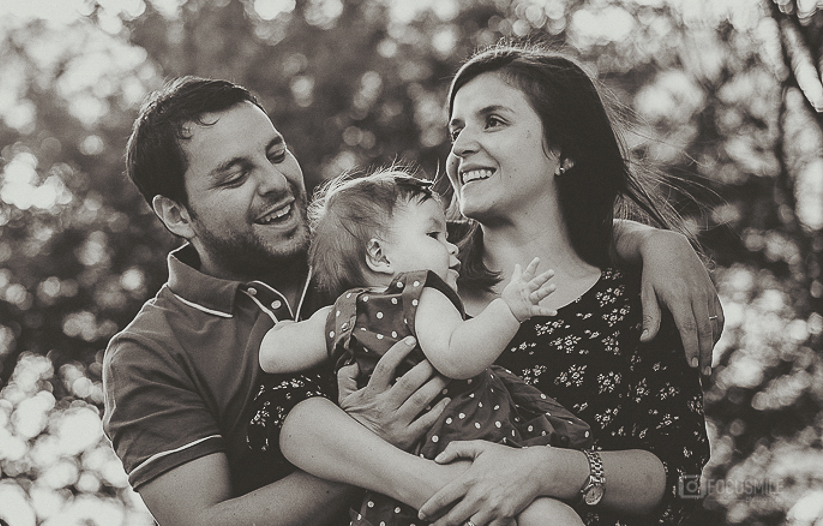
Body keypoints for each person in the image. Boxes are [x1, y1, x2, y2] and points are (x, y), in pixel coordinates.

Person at [101, 74, 721, 526]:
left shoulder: (366, 255)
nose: (275, 183)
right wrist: (375, 448)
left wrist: (656, 241)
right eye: (235, 176)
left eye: (276, 152)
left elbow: (531, 237)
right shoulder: (151, 352)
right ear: (175, 214)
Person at [258, 46, 711, 526]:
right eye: (456, 130)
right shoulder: (389, 269)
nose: (460, 147)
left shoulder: (636, 298)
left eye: (492, 122)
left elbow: (679, 474)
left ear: (564, 150)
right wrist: (371, 441)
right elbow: (276, 411)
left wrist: (544, 470)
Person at [257, 168, 590, 526]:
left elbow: (272, 356)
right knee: (553, 516)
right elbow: (458, 356)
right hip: (463, 452)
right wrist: (508, 311)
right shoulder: (423, 293)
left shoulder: (339, 314)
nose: (452, 246)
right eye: (434, 235)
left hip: (397, 487)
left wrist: (286, 326)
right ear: (379, 255)